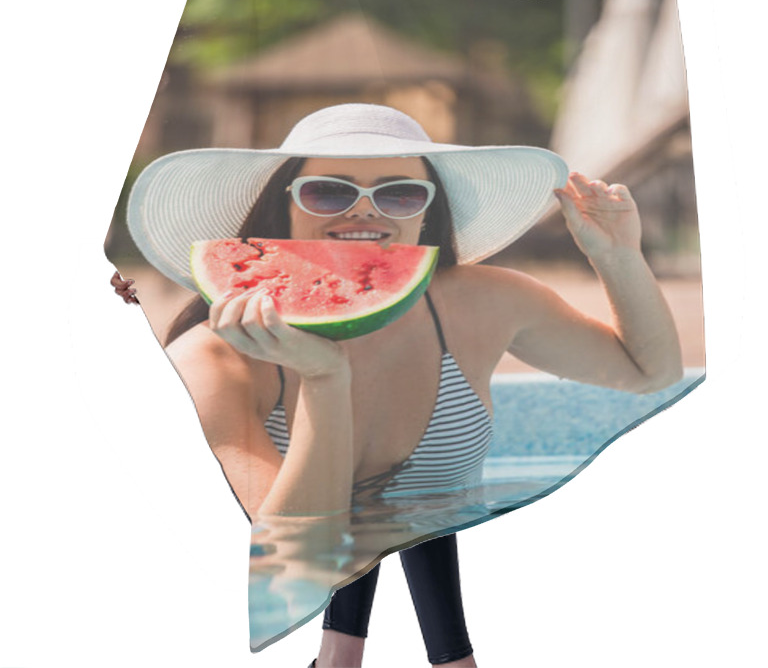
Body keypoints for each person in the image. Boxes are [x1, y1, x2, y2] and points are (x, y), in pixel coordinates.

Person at [125, 102, 682, 666]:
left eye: (399, 194)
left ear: (427, 211)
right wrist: (323, 377)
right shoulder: (213, 360)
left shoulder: (483, 302)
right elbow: (296, 563)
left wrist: (617, 257)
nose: (365, 211)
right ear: (283, 207)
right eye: (327, 192)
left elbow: (647, 373)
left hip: (431, 521)